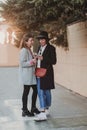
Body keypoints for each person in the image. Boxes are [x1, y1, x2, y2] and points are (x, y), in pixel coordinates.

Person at [34, 31, 57, 121]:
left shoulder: (51, 48)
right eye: (40, 39)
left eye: (43, 39)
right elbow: (39, 59)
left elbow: (54, 61)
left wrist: (43, 58)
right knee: (40, 92)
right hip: (39, 72)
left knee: (47, 91)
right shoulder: (39, 47)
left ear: (46, 40)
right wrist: (37, 57)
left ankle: (46, 109)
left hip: (47, 73)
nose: (41, 41)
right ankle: (43, 111)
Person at [19, 33, 40, 117]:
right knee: (26, 92)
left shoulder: (29, 49)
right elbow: (22, 63)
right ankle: (24, 110)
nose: (32, 42)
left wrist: (34, 58)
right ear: (26, 41)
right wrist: (32, 62)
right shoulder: (24, 50)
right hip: (27, 76)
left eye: (32, 40)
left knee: (35, 90)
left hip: (31, 75)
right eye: (31, 40)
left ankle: (33, 108)